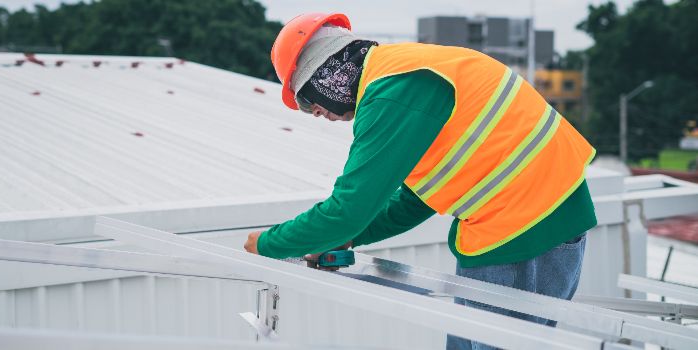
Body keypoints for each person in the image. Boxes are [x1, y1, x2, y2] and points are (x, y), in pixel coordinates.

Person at [243, 13, 596, 349]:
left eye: (306, 100)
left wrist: (268, 245)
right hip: (541, 222)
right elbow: (414, 201)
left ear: (326, 73)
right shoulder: (404, 75)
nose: (315, 113)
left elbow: (347, 209)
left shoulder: (392, 91)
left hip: (521, 228)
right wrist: (350, 237)